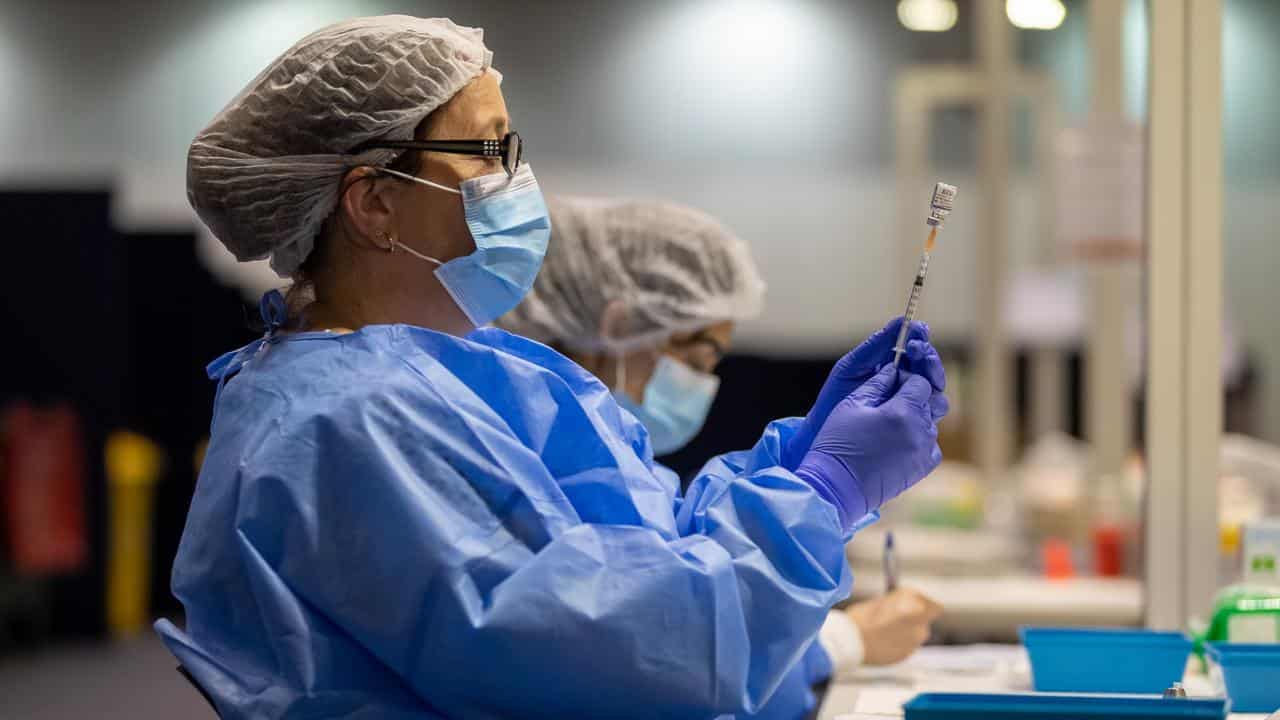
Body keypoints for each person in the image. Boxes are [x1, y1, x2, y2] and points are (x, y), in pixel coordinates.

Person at [156, 15, 947, 720]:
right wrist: (822, 494)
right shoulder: (348, 420)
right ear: (375, 204)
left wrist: (806, 462)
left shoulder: (452, 373)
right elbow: (616, 652)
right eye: (490, 150)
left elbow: (640, 551)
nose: (518, 182)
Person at [498, 196, 945, 710]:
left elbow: (682, 562)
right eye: (696, 357)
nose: (702, 383)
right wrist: (824, 489)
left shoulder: (611, 460)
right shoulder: (529, 459)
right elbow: (649, 659)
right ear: (619, 326)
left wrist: (801, 461)